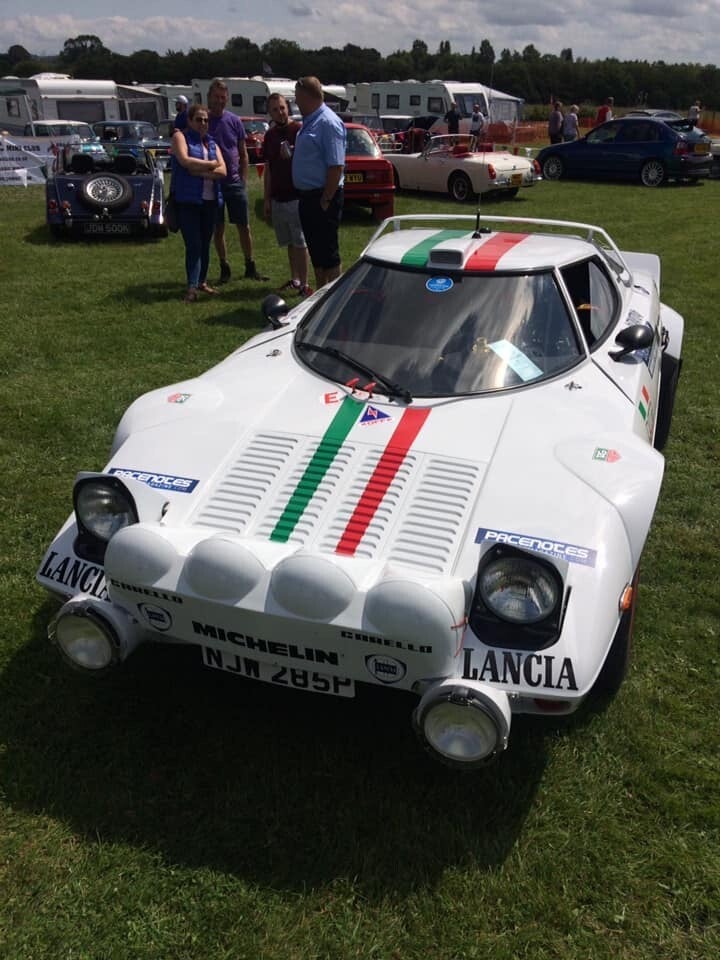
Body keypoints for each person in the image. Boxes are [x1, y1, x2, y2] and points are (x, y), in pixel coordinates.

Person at [206, 77, 267, 284]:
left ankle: (250, 265)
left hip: (234, 183)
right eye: (216, 97)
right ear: (209, 97)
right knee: (218, 228)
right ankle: (224, 267)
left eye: (223, 97)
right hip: (213, 184)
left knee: (244, 226)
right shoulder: (203, 121)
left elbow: (243, 154)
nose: (219, 101)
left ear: (227, 99)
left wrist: (243, 179)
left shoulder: (234, 121)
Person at [292, 76, 346, 289]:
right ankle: (320, 295)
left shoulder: (328, 122)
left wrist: (326, 200)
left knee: (328, 253)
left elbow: (336, 165)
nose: (296, 103)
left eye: (298, 98)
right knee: (317, 253)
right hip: (308, 197)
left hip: (323, 196)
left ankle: (334, 296)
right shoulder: (310, 121)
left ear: (308, 97)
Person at [170, 103, 226, 303]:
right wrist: (211, 165)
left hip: (210, 200)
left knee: (205, 244)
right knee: (193, 244)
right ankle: (191, 287)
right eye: (199, 119)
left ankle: (202, 282)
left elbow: (223, 171)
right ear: (189, 120)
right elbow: (185, 161)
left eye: (206, 120)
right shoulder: (180, 137)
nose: (203, 123)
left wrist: (200, 171)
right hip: (189, 200)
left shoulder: (211, 143)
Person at [263, 93, 311, 297]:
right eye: (275, 109)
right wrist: (267, 198)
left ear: (288, 108)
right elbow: (268, 169)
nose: (280, 112)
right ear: (270, 113)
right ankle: (295, 279)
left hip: (296, 196)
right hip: (278, 198)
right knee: (289, 242)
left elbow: (308, 161)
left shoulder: (299, 131)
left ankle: (304, 285)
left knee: (300, 242)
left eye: (282, 108)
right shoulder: (270, 136)